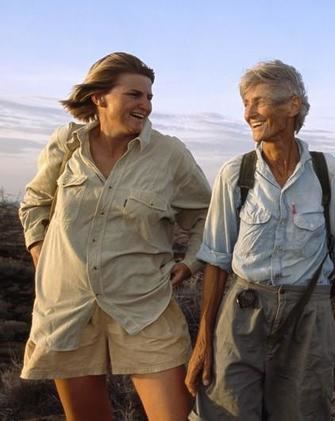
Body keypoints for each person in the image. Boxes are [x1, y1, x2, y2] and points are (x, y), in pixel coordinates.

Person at [18, 52, 211, 421]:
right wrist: (39, 249)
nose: (146, 105)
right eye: (135, 95)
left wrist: (191, 262)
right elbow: (35, 202)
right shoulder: (65, 144)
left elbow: (206, 215)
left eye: (150, 97)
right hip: (67, 308)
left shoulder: (169, 154)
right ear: (100, 98)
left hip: (144, 307)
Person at [186, 59, 335, 420]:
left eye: (258, 102)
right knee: (224, 410)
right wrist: (203, 340)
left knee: (303, 411)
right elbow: (216, 259)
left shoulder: (327, 172)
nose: (248, 113)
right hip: (242, 312)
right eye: (245, 104)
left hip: (308, 315)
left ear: (292, 105)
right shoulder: (235, 173)